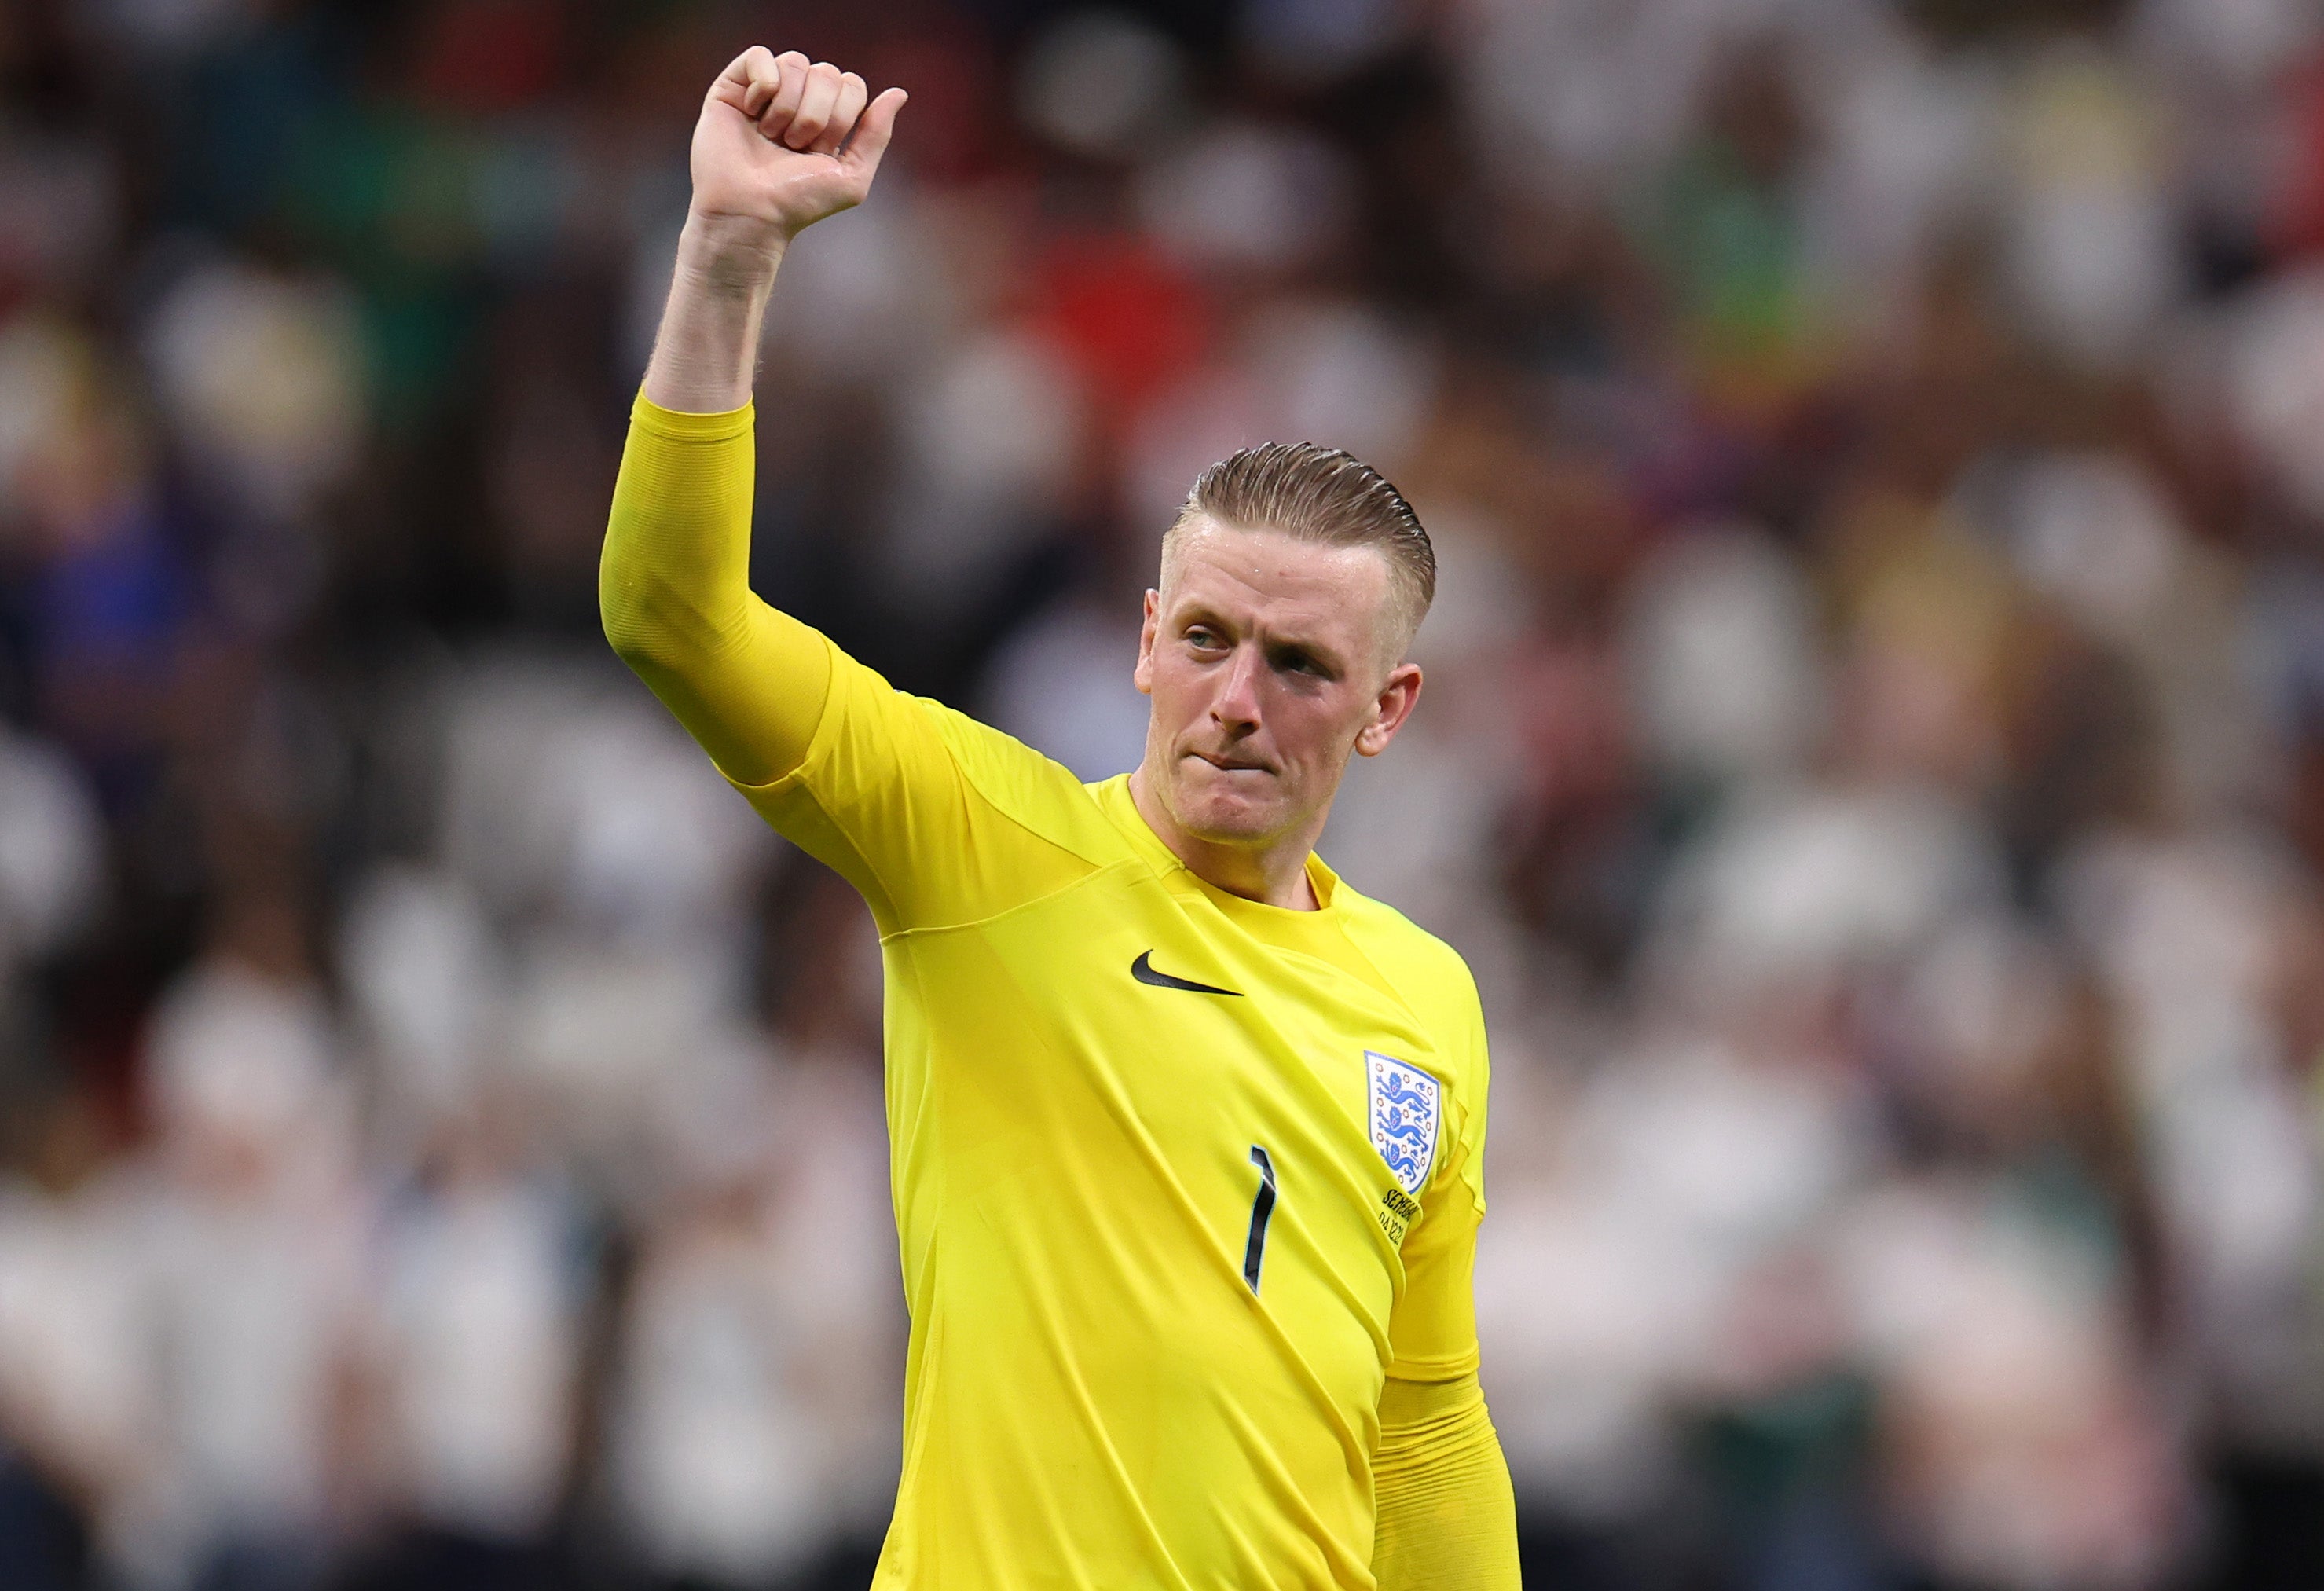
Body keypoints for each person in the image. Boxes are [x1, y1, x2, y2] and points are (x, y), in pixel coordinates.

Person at [599, 46, 1519, 1589]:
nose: (1239, 696)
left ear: (1387, 707)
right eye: (1211, 639)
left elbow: (1426, 1425)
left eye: (1301, 664)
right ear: (1147, 638)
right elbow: (673, 618)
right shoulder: (986, 847)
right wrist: (730, 256)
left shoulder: (1427, 998)